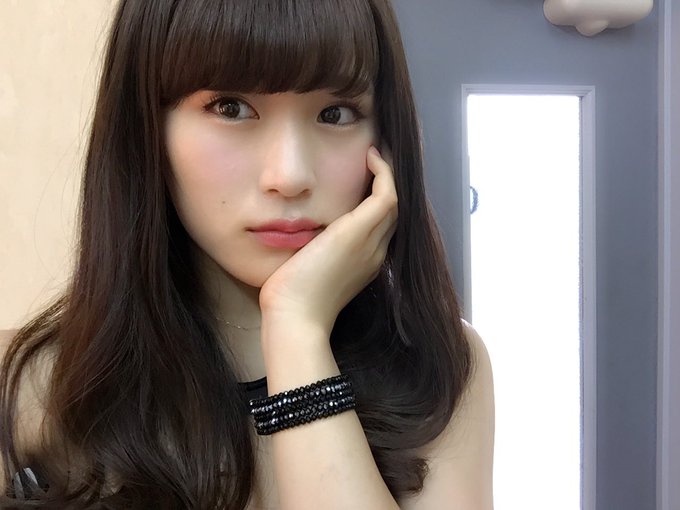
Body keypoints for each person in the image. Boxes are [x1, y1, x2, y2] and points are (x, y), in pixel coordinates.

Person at [0, 0, 495, 508]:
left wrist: (298, 329)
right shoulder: (28, 385)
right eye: (231, 108)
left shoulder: (439, 368)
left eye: (335, 113)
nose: (290, 175)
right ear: (147, 127)